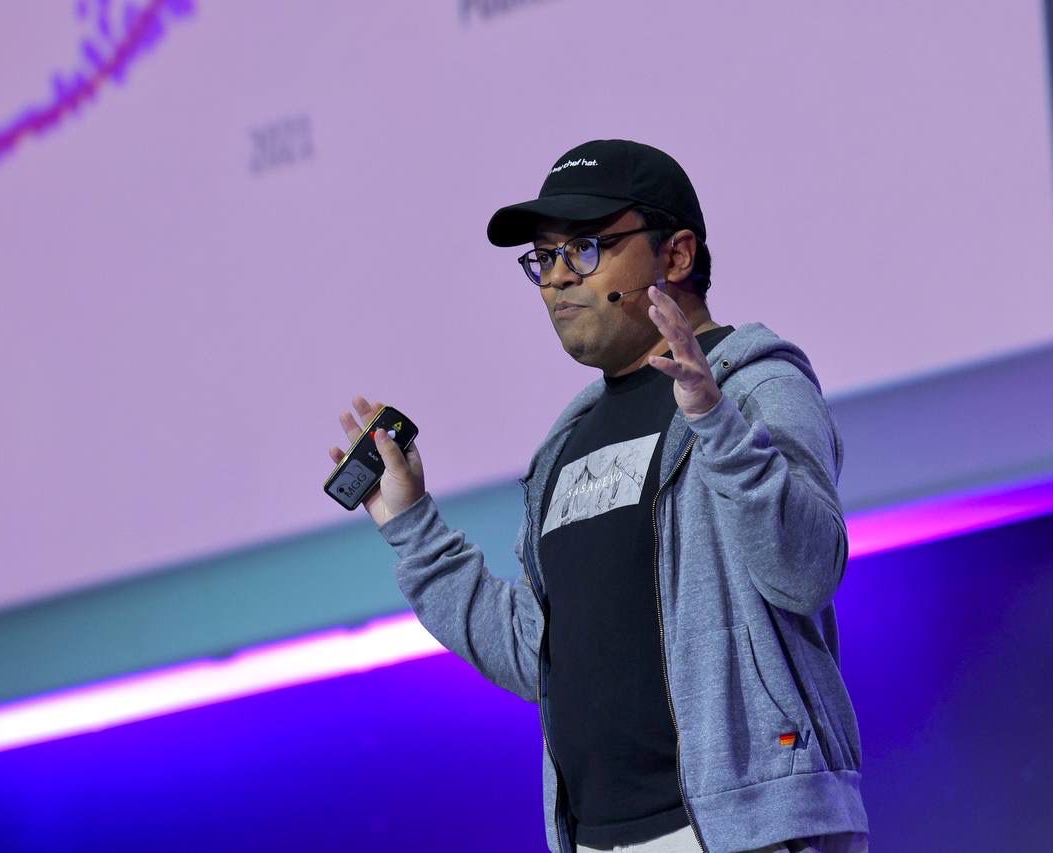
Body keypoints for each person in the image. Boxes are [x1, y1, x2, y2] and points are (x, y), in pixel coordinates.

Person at [328, 139, 869, 853]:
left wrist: (714, 419)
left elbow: (805, 570)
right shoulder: (564, 445)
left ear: (676, 254)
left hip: (752, 827)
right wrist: (411, 525)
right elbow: (535, 652)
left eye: (584, 249)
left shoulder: (756, 387)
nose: (556, 278)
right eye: (543, 258)